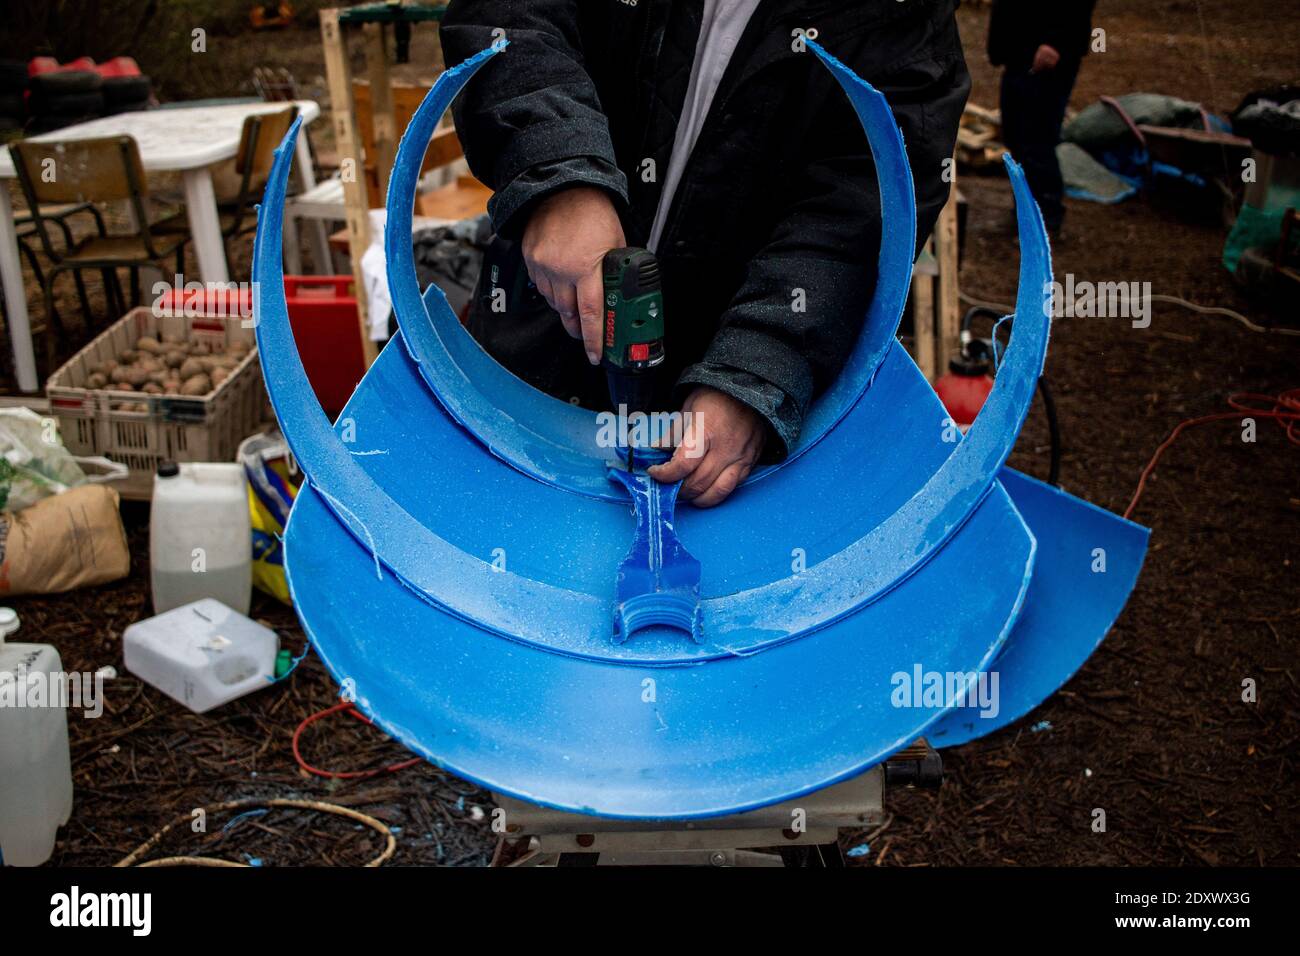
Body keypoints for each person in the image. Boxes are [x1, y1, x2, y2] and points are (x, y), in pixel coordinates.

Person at [441, 1, 969, 505]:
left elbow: (860, 204)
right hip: (531, 352)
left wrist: (755, 373)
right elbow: (509, 15)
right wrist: (559, 177)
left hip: (723, 402)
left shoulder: (905, 14)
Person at [988, 0, 1099, 234]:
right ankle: (1024, 214)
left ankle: (1045, 219)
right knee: (1015, 134)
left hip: (1049, 54)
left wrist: (1056, 42)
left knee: (1036, 138)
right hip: (1019, 50)